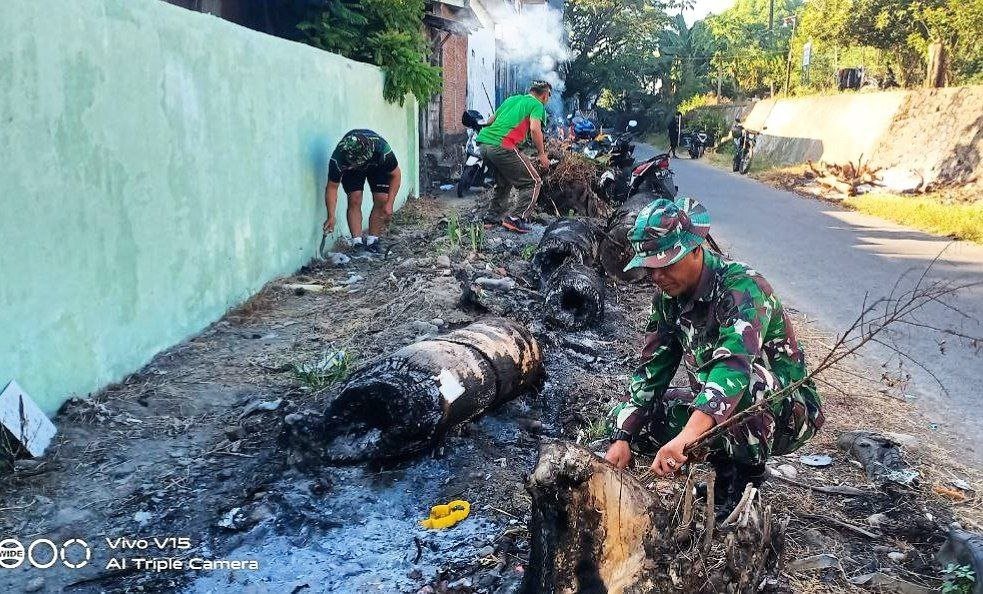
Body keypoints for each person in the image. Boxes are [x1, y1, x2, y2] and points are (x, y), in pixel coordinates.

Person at [605, 197, 825, 515]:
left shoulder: (742, 288)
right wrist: (623, 435)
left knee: (747, 385)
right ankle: (723, 468)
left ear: (697, 250)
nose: (657, 276)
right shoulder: (669, 300)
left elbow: (733, 368)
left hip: (786, 412)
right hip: (721, 409)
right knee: (635, 415)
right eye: (650, 267)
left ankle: (745, 481)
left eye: (666, 264)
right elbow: (653, 368)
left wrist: (688, 437)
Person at [476, 80, 553, 233]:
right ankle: (517, 219)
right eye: (549, 96)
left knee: (504, 181)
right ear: (544, 95)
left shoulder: (511, 99)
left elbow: (490, 120)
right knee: (533, 181)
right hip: (503, 145)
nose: (548, 99)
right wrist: (542, 154)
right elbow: (535, 129)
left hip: (484, 144)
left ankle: (491, 218)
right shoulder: (537, 105)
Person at [323, 129, 402, 253]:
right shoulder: (339, 158)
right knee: (354, 198)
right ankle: (357, 242)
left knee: (382, 199)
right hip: (351, 168)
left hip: (377, 165)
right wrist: (331, 216)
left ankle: (373, 240)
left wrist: (390, 203)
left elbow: (396, 175)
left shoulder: (382, 150)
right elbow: (332, 187)